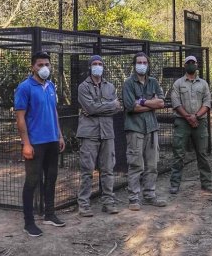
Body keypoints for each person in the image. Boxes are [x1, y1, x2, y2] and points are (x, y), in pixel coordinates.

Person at [14, 51, 66, 237]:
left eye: (47, 64)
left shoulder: (51, 86)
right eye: (40, 65)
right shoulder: (24, 87)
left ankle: (49, 214)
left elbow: (54, 112)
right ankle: (29, 223)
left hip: (52, 140)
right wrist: (26, 144)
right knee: (32, 181)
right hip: (35, 143)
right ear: (32, 67)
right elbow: (20, 118)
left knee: (51, 178)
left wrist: (59, 135)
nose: (44, 68)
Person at [77, 55, 122, 217]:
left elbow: (118, 108)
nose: (97, 66)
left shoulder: (110, 86)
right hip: (89, 133)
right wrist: (108, 106)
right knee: (87, 170)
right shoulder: (83, 87)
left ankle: (108, 202)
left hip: (107, 132)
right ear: (90, 67)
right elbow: (90, 108)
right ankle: (84, 204)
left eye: (100, 64)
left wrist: (98, 108)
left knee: (108, 169)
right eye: (94, 64)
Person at [122, 52, 167, 211]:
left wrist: (142, 101)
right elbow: (130, 107)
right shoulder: (128, 83)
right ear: (134, 65)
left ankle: (149, 195)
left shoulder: (153, 82)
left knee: (152, 165)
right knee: (135, 165)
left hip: (152, 128)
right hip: (135, 129)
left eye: (144, 62)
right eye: (139, 62)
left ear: (148, 65)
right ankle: (133, 198)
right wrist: (151, 103)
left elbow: (161, 103)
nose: (141, 65)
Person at [169, 56, 212, 194]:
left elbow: (207, 102)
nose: (191, 65)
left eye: (193, 63)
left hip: (200, 122)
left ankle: (206, 183)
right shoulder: (178, 83)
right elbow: (175, 102)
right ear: (185, 65)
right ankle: (175, 184)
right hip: (182, 122)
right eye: (188, 63)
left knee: (202, 154)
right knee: (178, 154)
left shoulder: (203, 84)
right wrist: (188, 117)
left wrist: (195, 116)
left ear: (197, 65)